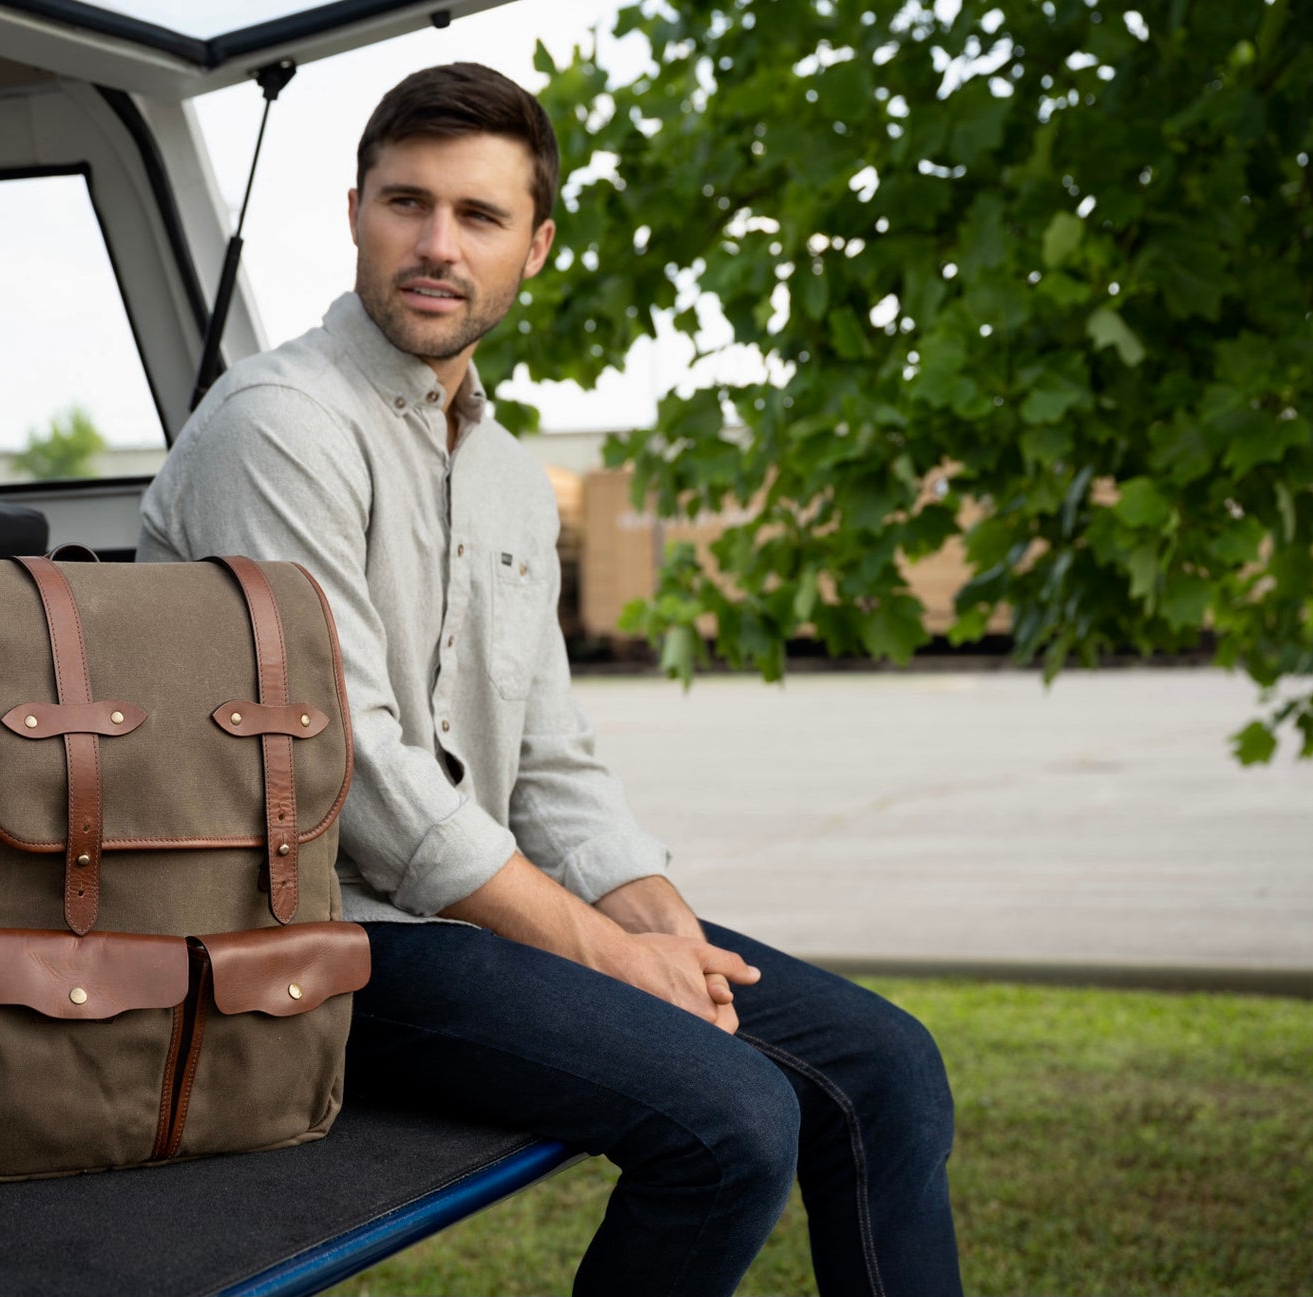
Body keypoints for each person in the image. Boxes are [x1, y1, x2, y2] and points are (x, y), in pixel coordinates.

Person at [138, 61, 961, 1297]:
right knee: (733, 1124)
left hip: (457, 915)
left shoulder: (512, 473)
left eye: (478, 217)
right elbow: (346, 765)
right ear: (353, 209)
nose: (435, 244)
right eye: (405, 203)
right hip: (317, 930)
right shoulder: (278, 426)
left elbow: (553, 756)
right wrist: (597, 950)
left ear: (536, 246)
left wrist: (660, 926)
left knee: (887, 1066)